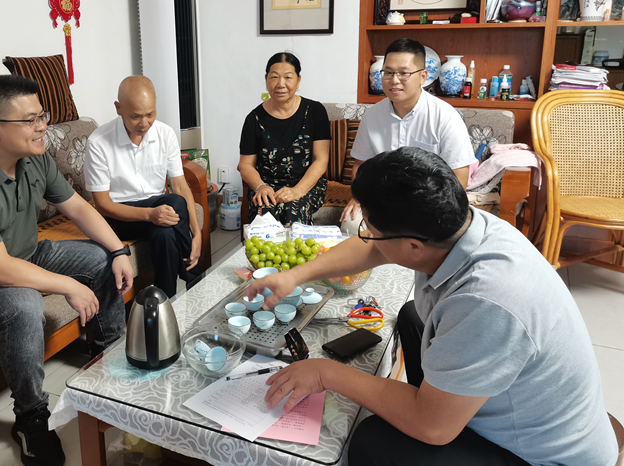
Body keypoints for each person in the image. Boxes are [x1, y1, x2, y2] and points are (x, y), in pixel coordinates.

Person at [248, 147, 618, 466]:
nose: (368, 236)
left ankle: (433, 402)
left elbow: (434, 428)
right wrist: (295, 275)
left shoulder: (486, 301)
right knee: (413, 316)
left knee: (373, 442)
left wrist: (326, 373)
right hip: (517, 403)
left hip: (541, 457)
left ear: (413, 246)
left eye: (369, 228)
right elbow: (376, 247)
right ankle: (438, 397)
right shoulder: (462, 225)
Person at [0, 75, 133, 466]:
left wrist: (118, 250)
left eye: (42, 116)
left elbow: (78, 208)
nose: (42, 127)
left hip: (25, 254)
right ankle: (31, 418)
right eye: (30, 120)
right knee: (23, 304)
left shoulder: (34, 156)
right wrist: (68, 285)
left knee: (101, 258)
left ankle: (108, 362)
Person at [84, 75, 202, 298]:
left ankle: (165, 302)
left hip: (156, 208)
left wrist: (197, 234)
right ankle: (194, 280)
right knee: (174, 202)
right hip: (118, 217)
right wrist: (150, 214)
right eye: (136, 116)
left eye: (150, 114)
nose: (144, 123)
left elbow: (179, 185)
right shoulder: (98, 142)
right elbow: (103, 205)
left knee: (164, 234)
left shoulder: (165, 134)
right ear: (118, 108)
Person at [341, 38, 475, 222]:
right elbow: (361, 165)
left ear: (423, 76)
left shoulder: (445, 117)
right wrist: (359, 198)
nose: (394, 80)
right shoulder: (372, 116)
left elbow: (460, 177)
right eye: (388, 72)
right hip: (383, 200)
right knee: (351, 223)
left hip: (431, 203)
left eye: (404, 73)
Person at [238, 52, 331, 225]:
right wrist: (260, 186)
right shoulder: (254, 119)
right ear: (266, 80)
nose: (281, 84)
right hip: (266, 186)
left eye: (288, 77)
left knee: (292, 210)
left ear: (298, 80)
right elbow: (245, 165)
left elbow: (321, 159)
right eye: (274, 77)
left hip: (305, 184)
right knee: (264, 215)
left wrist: (297, 191)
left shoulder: (315, 112)